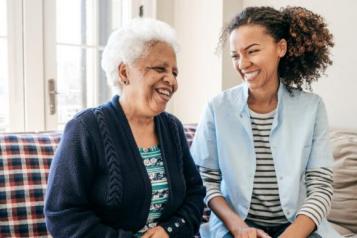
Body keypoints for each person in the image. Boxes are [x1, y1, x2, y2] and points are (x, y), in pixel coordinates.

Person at [44, 18, 205, 238]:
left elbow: (195, 193)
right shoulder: (85, 128)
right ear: (124, 73)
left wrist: (169, 230)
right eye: (160, 69)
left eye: (175, 73)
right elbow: (62, 215)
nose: (172, 81)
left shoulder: (172, 128)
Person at [190, 6, 342, 238]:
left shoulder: (312, 107)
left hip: (297, 227)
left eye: (252, 51)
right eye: (235, 55)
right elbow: (205, 180)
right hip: (238, 227)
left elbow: (320, 187)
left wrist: (291, 235)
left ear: (280, 48)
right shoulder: (217, 107)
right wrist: (239, 228)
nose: (242, 63)